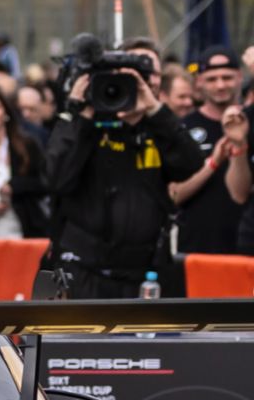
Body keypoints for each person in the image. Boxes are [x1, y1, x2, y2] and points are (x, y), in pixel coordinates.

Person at [45, 55, 203, 298]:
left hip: (144, 273)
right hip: (85, 271)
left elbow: (190, 163)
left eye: (134, 82)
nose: (119, 90)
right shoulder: (86, 128)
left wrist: (155, 110)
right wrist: (80, 111)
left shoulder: (157, 128)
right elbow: (56, 178)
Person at [171, 47, 248, 254]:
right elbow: (173, 194)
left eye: (227, 77)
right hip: (198, 248)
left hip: (246, 245)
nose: (220, 85)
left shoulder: (250, 121)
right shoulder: (182, 128)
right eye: (212, 79)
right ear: (199, 82)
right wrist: (213, 163)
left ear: (240, 77)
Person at [0, 88, 49, 239]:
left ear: (6, 112)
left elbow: (44, 182)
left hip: (24, 227)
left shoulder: (26, 144)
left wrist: (12, 187)